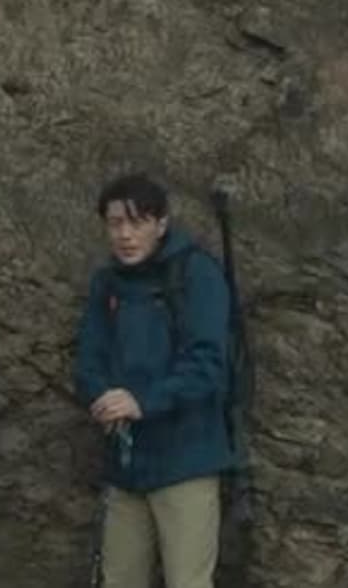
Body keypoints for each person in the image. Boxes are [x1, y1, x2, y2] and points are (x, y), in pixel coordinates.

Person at [73, 173, 233, 588]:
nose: (125, 235)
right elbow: (89, 358)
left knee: (187, 581)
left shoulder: (195, 274)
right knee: (118, 578)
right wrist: (102, 396)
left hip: (186, 459)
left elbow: (208, 364)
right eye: (115, 223)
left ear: (161, 224)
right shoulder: (107, 284)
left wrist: (142, 401)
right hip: (126, 465)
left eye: (137, 222)